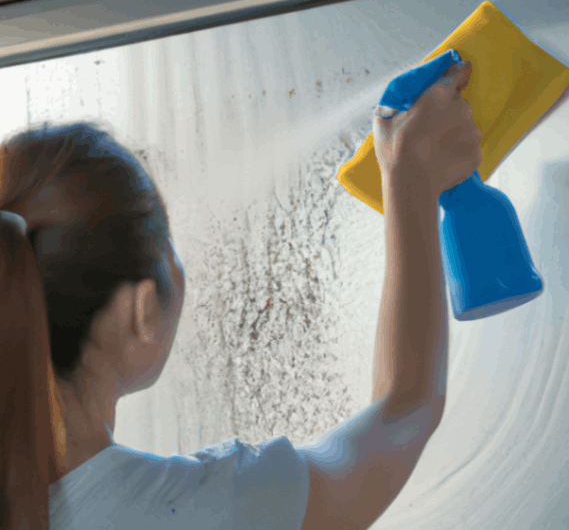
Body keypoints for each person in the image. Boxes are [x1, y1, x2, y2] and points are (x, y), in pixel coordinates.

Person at [0, 61, 480, 530]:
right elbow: (405, 411)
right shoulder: (198, 510)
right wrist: (410, 174)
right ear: (141, 312)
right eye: (168, 248)